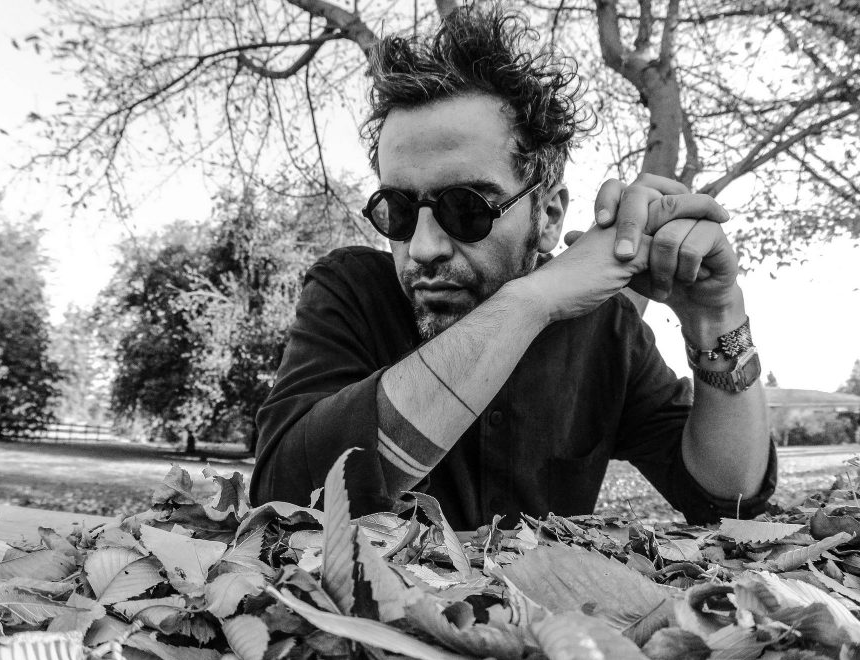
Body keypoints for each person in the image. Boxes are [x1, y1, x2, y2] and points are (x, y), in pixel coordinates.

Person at [250, 5, 775, 529]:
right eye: (399, 210)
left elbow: (728, 496)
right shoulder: (351, 291)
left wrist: (717, 315)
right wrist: (530, 303)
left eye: (467, 208)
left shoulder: (607, 331)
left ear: (548, 217)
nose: (424, 247)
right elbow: (287, 494)